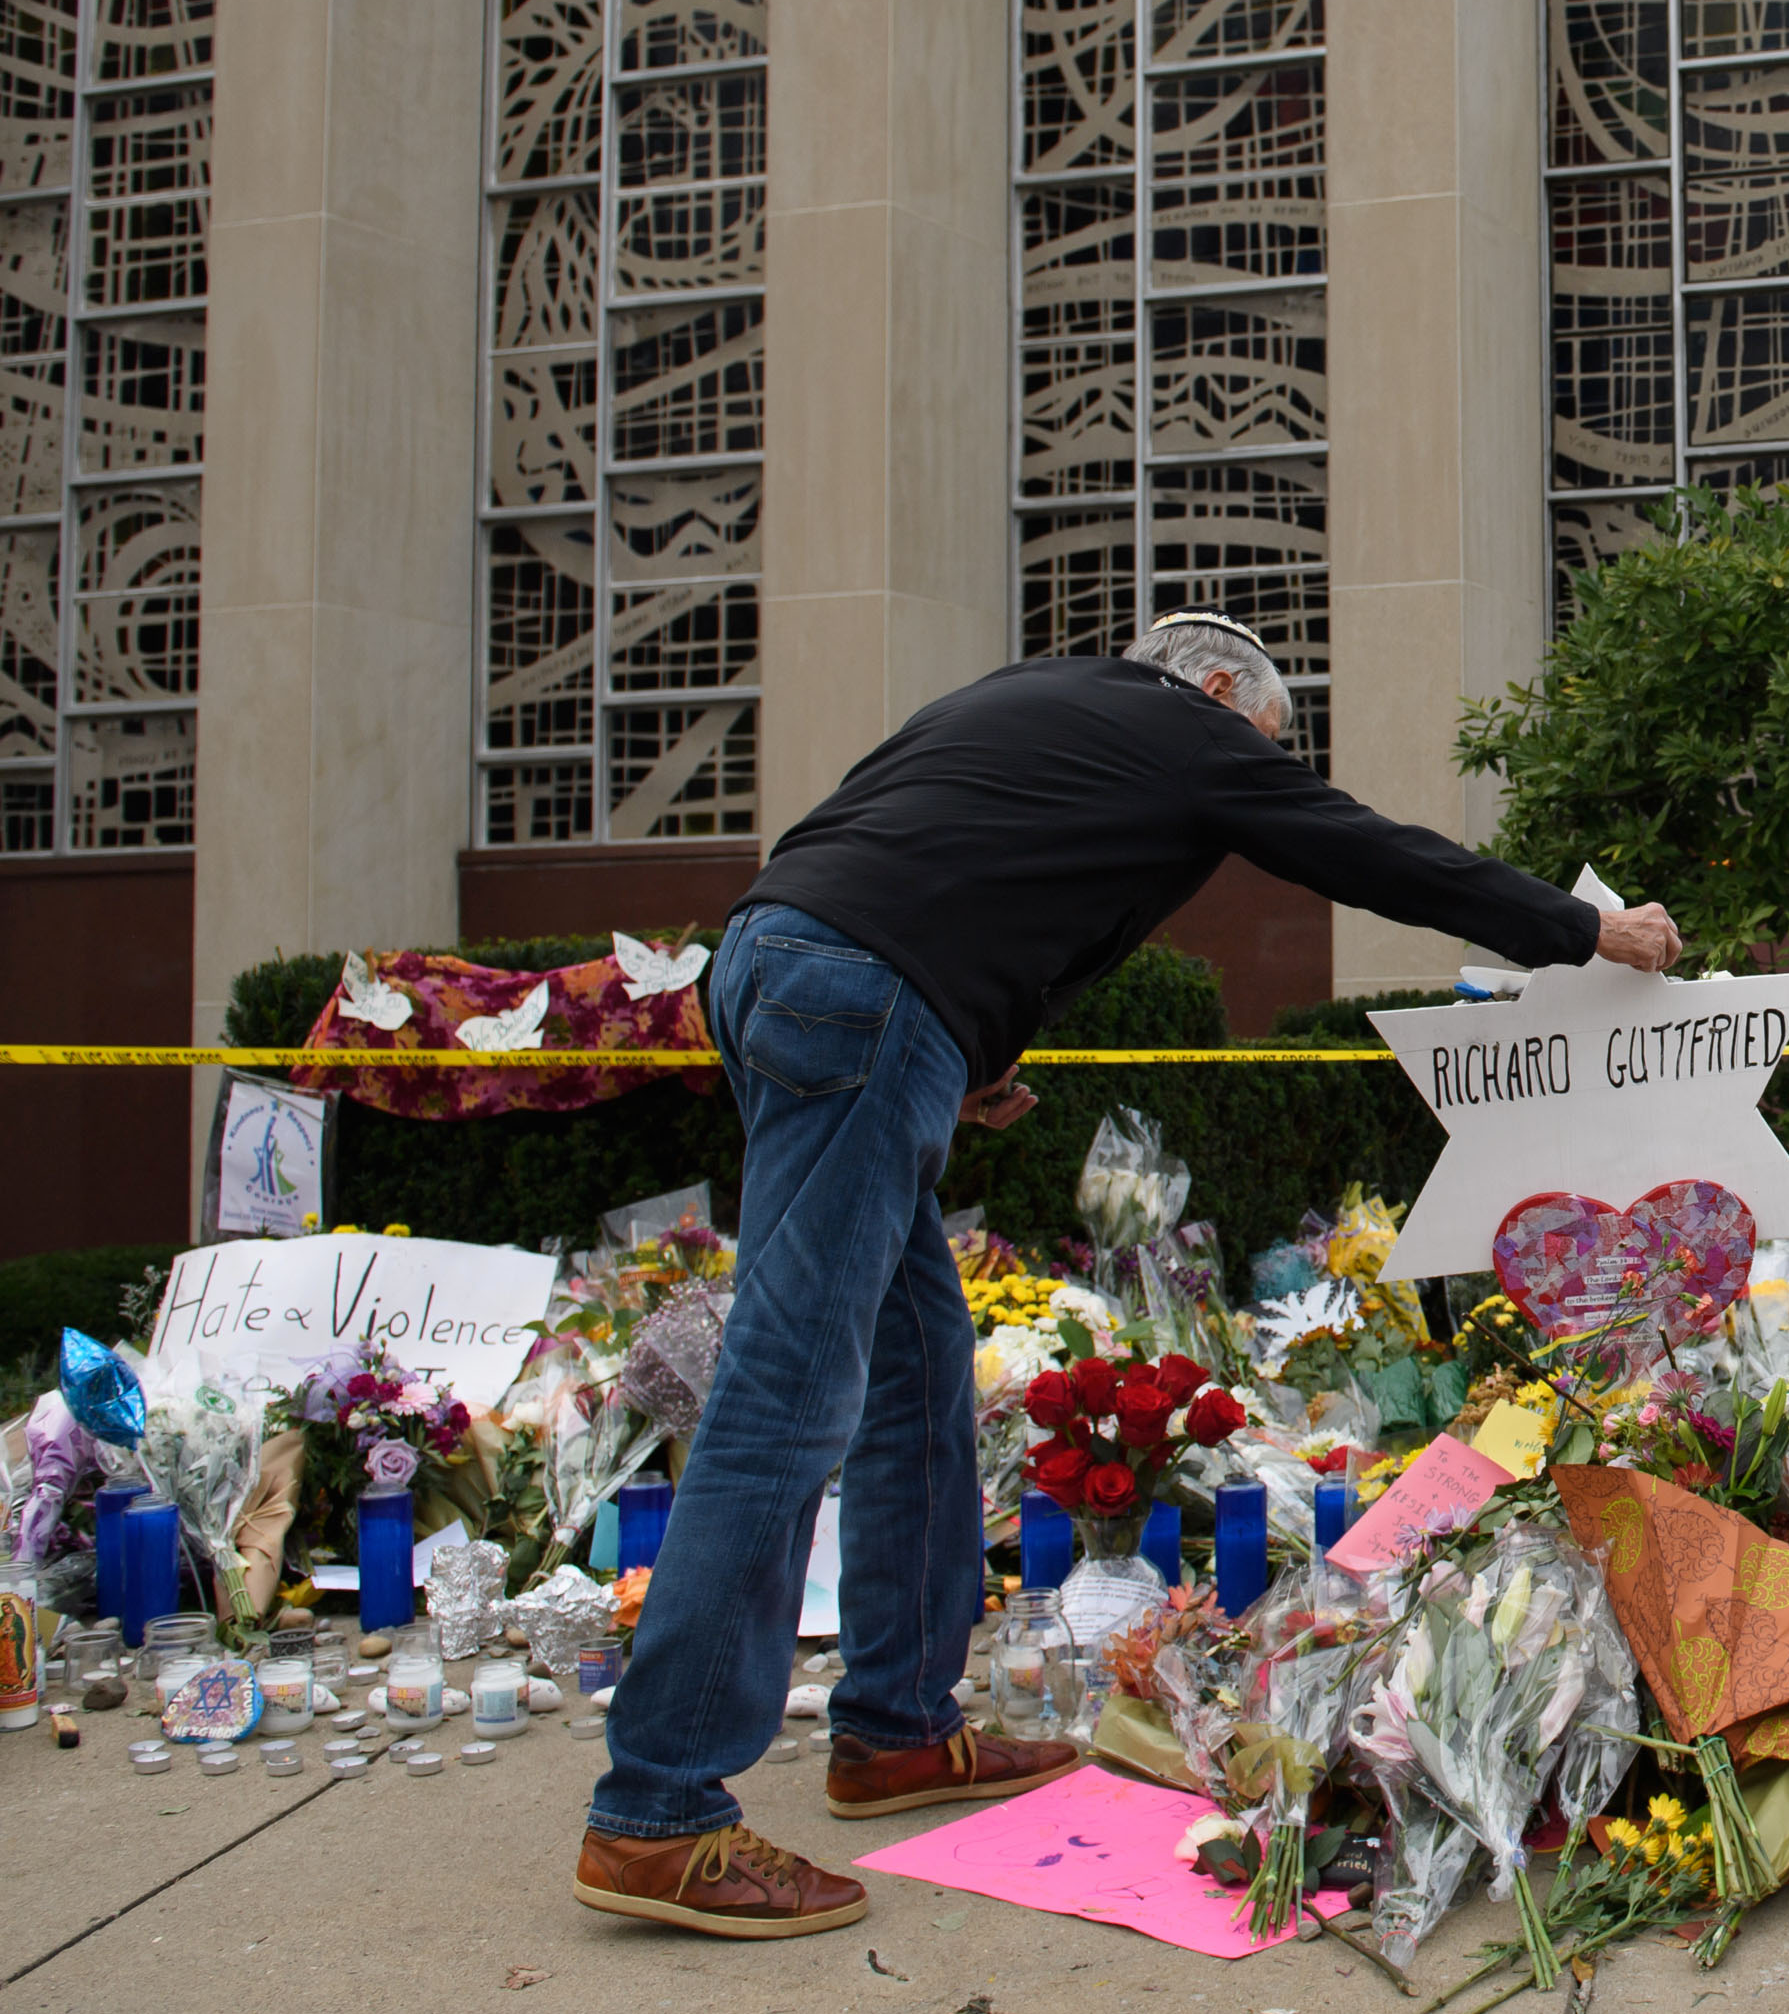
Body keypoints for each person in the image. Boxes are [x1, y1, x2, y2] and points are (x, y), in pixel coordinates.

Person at [574, 613, 1680, 1938]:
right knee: (791, 1388)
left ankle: (895, 1728)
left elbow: (946, 865)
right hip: (864, 997)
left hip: (786, 969)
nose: (1249, 784)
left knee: (918, 1371)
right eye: (1260, 747)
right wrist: (1580, 931)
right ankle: (658, 1808)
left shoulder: (1035, 703)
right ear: (1216, 690)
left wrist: (960, 1054)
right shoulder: (1186, 732)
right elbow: (1374, 855)